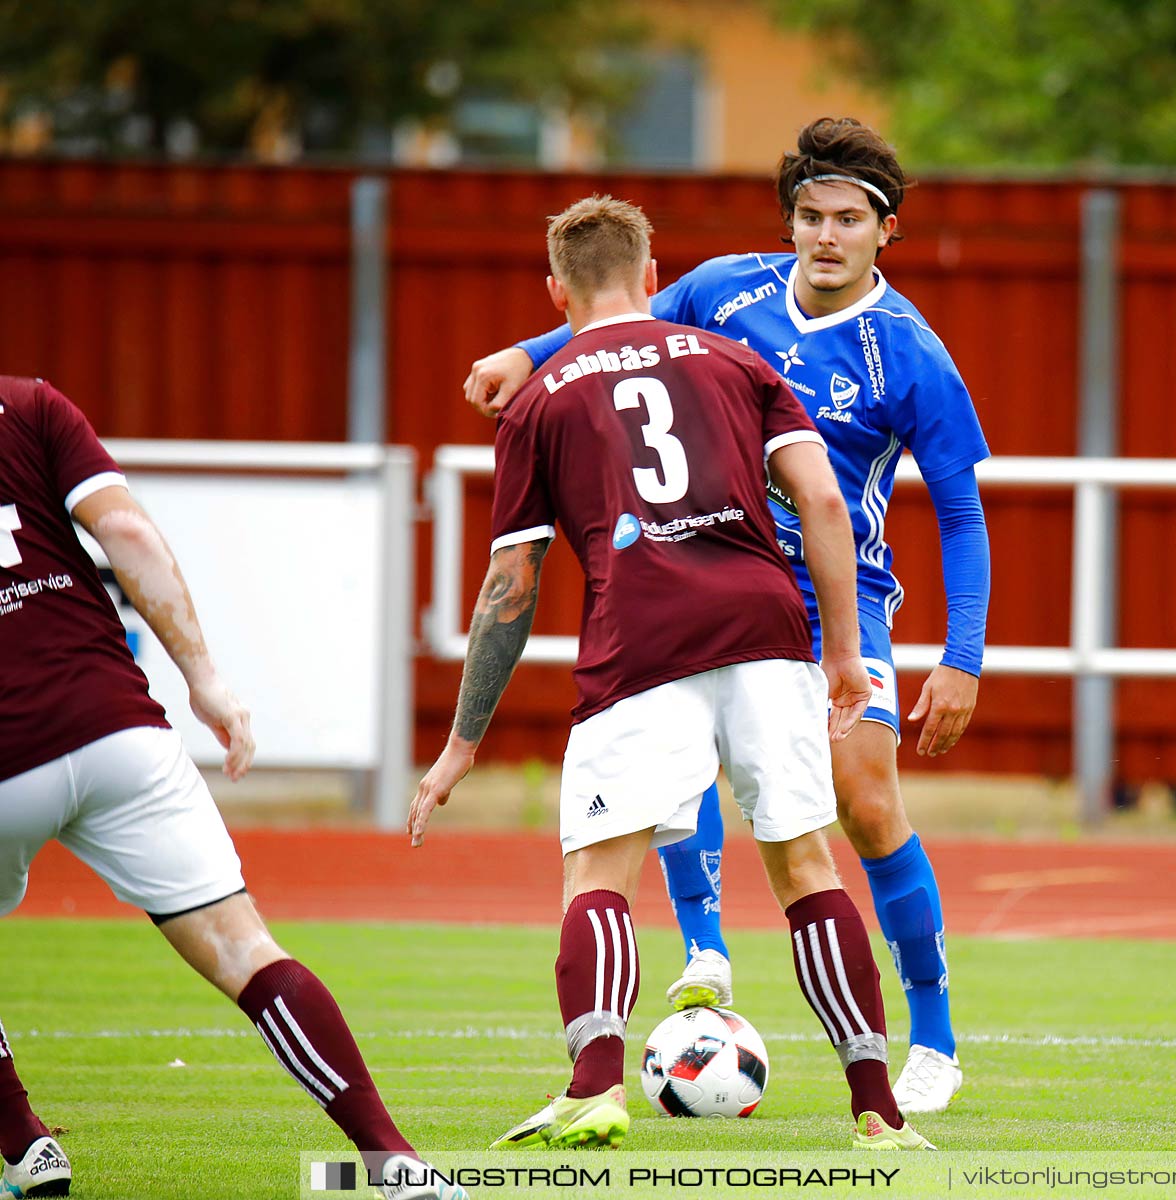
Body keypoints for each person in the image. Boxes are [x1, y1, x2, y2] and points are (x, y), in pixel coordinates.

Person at [461, 117, 988, 1115]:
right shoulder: (724, 287)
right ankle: (704, 945)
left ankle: (936, 1033)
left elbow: (960, 512)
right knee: (677, 756)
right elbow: (621, 314)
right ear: (789, 219)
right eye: (808, 215)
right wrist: (525, 354)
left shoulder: (910, 352)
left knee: (863, 795)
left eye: (846, 220)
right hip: (706, 566)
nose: (824, 236)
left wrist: (961, 658)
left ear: (884, 233)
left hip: (842, 595)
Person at [0, 377, 463, 1200]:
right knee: (247, 951)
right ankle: (395, 1162)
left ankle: (26, 1146)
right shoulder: (30, 404)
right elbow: (129, 533)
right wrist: (204, 679)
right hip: (115, 729)